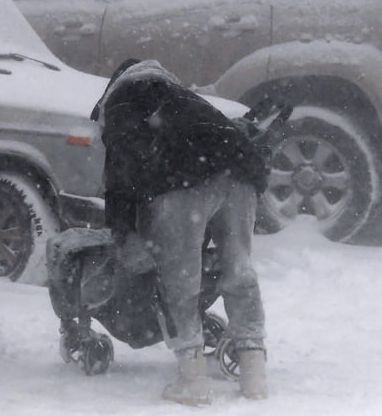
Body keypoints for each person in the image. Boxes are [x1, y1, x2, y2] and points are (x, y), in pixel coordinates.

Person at [91, 58, 269, 405]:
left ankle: (193, 380)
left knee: (180, 281)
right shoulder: (182, 97)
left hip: (181, 182)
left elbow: (120, 173)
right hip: (240, 172)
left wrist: (124, 231)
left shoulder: (123, 100)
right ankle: (254, 373)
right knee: (239, 270)